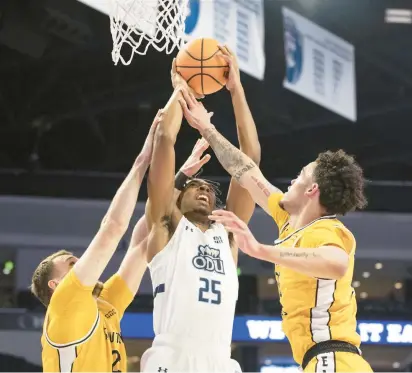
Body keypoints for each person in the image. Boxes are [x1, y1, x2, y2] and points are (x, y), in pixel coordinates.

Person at [179, 91, 373, 372]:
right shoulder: (288, 219)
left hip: (333, 359)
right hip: (324, 361)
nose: (292, 180)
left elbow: (337, 263)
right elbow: (244, 169)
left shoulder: (326, 230)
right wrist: (206, 128)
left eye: (300, 176)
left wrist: (258, 249)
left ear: (311, 190)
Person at [140, 46, 261, 372]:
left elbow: (250, 157)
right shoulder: (166, 225)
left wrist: (236, 89)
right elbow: (165, 138)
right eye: (195, 187)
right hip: (172, 357)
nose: (206, 189)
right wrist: (182, 87)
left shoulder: (229, 234)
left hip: (220, 359)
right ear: (176, 198)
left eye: (210, 189)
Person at [30, 111, 163, 372]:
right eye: (71, 264)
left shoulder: (103, 304)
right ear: (56, 286)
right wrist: (142, 160)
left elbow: (141, 244)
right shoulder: (65, 304)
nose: (80, 262)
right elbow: (113, 228)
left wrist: (175, 181)